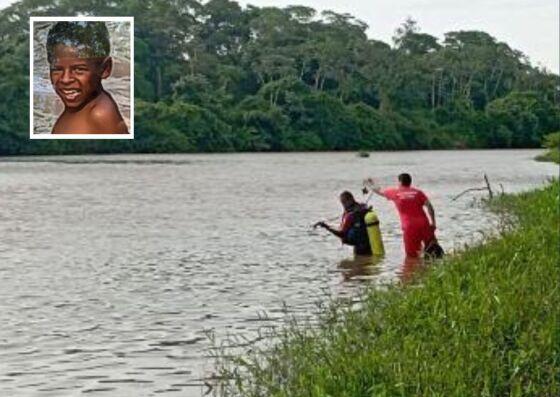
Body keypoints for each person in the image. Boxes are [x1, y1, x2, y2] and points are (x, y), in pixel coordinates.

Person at [46, 21, 128, 134]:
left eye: (79, 69)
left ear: (105, 69)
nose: (65, 79)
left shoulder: (101, 116)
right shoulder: (80, 105)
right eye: (57, 69)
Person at [366, 173, 443, 258]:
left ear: (400, 182)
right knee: (434, 251)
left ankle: (415, 270)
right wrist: (433, 223)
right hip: (424, 224)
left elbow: (378, 191)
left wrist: (371, 184)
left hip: (409, 227)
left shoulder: (395, 192)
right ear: (410, 182)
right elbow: (430, 207)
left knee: (412, 256)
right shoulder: (418, 192)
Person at [314, 191, 372, 256]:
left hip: (360, 249)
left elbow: (342, 234)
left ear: (350, 200)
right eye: (342, 203)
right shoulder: (362, 209)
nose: (343, 205)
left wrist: (326, 227)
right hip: (371, 245)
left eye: (344, 203)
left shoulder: (351, 215)